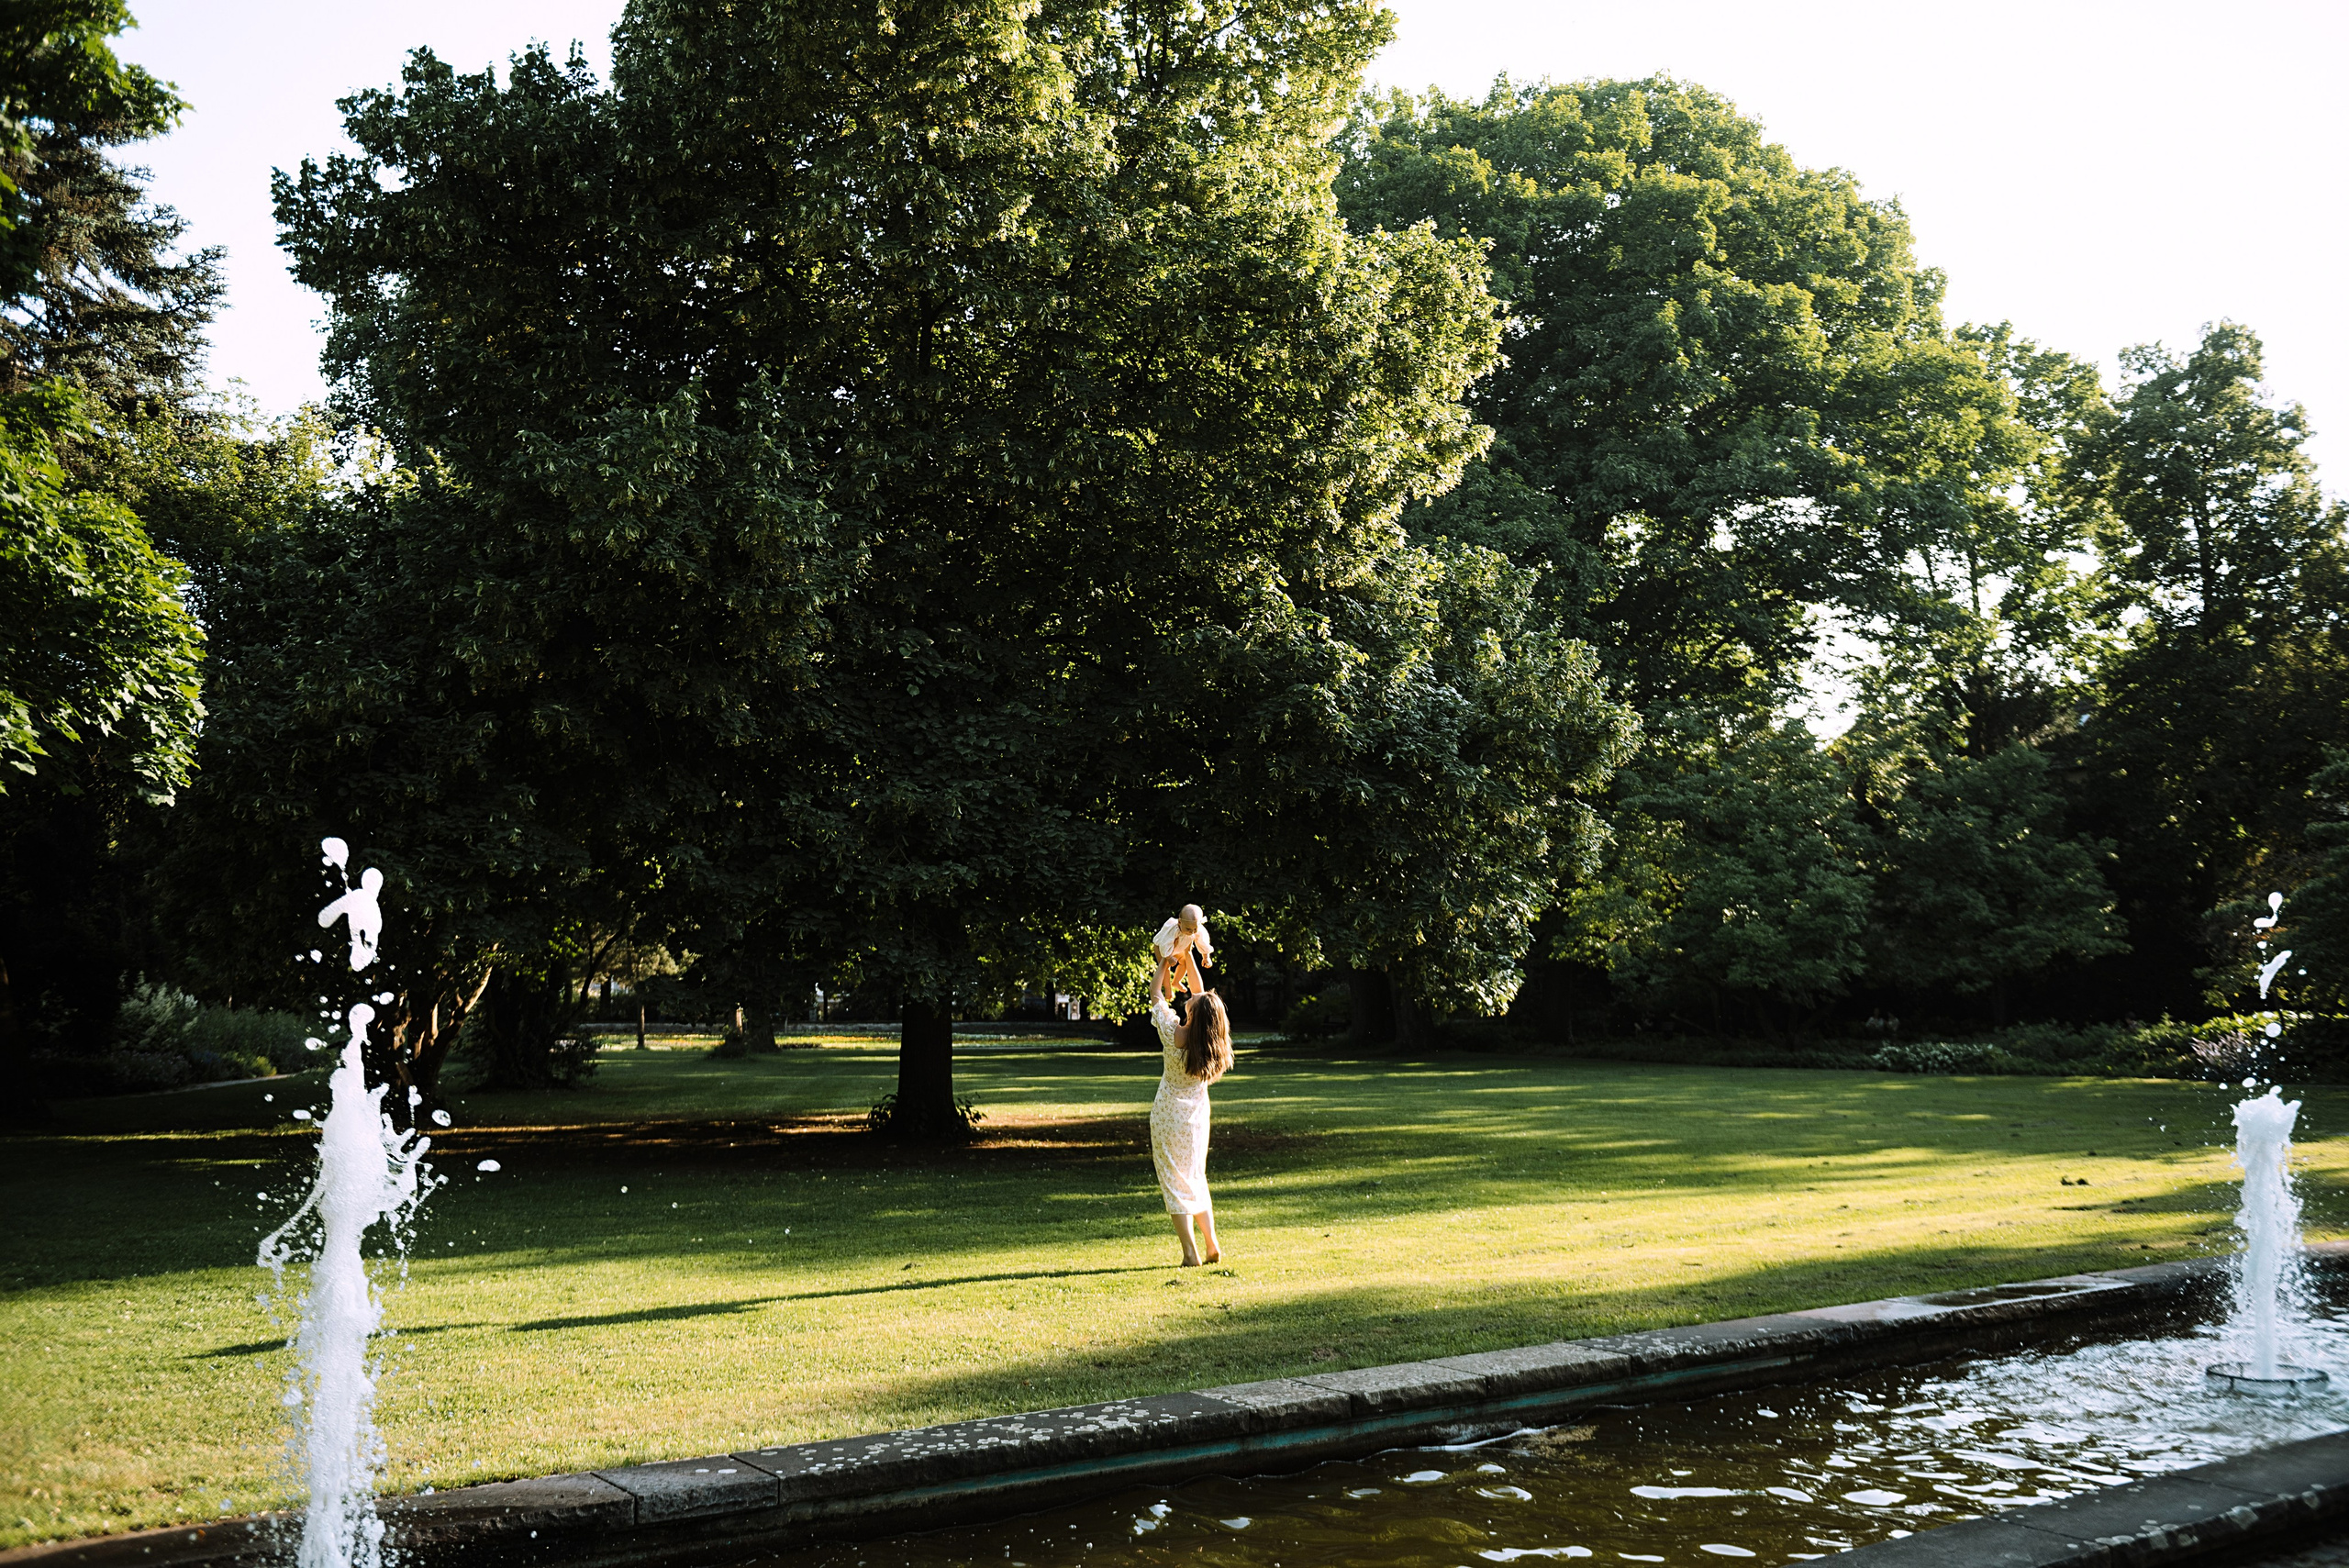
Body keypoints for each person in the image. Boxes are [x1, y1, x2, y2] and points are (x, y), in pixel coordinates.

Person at [1150, 951, 1232, 1266]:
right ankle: (1211, 1244)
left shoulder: (1173, 1032)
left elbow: (1157, 993)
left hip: (1169, 1115)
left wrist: (1164, 964)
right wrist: (1187, 955)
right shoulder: (1208, 1043)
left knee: (1174, 1180)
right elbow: (1201, 994)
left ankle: (1190, 1253)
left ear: (1195, 1013)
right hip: (1197, 1117)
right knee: (1196, 1177)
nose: (1195, 997)